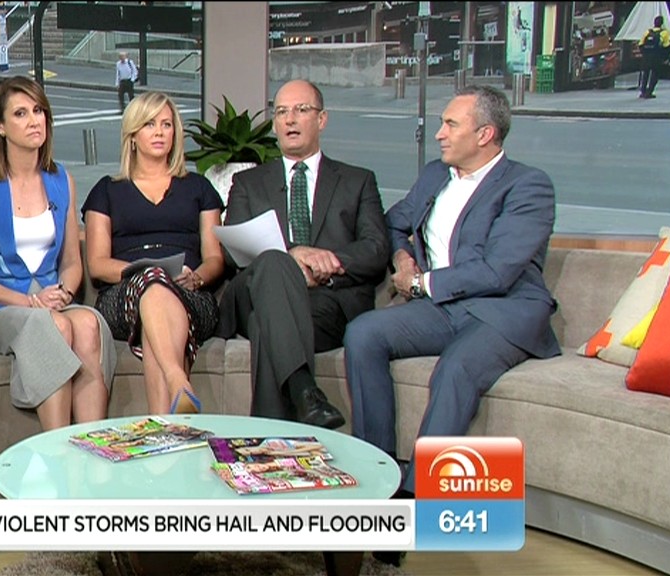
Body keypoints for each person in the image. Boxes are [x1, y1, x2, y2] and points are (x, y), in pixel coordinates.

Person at [343, 85, 559, 565]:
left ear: (485, 134)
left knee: (457, 368)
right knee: (364, 333)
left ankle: (416, 501)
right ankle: (379, 476)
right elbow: (394, 222)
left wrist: (421, 283)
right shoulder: (435, 175)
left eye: (450, 124)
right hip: (443, 308)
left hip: (502, 309)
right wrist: (402, 257)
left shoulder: (528, 186)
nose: (439, 133)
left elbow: (498, 270)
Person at [216, 79, 390, 430]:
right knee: (273, 262)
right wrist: (292, 258)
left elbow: (376, 248)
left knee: (268, 323)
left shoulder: (357, 181)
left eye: (301, 110)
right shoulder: (248, 183)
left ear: (322, 119)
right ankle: (306, 393)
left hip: (326, 303)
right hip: (253, 291)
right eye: (281, 112)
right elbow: (233, 251)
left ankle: (275, 434)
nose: (290, 119)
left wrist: (329, 261)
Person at [0, 76, 116, 431]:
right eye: (21, 113)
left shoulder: (61, 180)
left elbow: (71, 261)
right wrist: (29, 302)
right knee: (53, 325)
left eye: (39, 111)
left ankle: (93, 445)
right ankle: (58, 447)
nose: (34, 121)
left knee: (88, 324)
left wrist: (64, 293)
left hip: (48, 301)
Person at [82, 91, 225, 415]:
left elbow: (215, 258)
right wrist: (146, 271)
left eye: (166, 124)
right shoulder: (107, 190)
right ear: (132, 136)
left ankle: (164, 426)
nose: (160, 132)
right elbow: (98, 264)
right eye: (149, 124)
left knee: (155, 308)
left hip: (189, 293)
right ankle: (177, 379)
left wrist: (196, 277)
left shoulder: (199, 187)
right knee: (153, 281)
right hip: (123, 295)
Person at [638, 15, 670, 99]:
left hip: (646, 57)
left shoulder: (647, 32)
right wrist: (665, 58)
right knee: (655, 74)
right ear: (662, 23)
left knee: (645, 74)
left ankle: (643, 91)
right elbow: (667, 46)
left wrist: (644, 54)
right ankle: (649, 92)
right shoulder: (664, 33)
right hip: (656, 57)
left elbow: (640, 44)